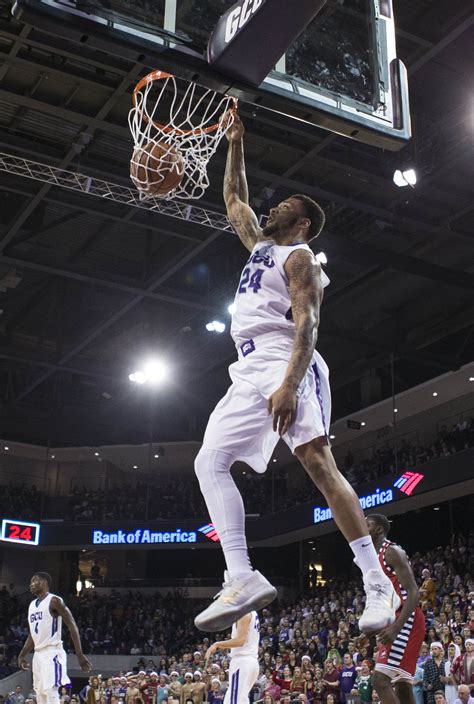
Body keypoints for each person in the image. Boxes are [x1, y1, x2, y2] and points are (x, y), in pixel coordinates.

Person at [194, 111, 399, 636]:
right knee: (209, 461)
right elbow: (234, 199)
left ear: (302, 222)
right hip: (247, 366)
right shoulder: (261, 246)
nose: (274, 204)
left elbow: (309, 323)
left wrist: (288, 383)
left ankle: (377, 583)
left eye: (286, 205)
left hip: (288, 359)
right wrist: (235, 141)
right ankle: (242, 576)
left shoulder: (299, 257)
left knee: (317, 465)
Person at [362, 514, 426, 704]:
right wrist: (368, 634)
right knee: (403, 686)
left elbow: (414, 593)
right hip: (394, 617)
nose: (363, 527)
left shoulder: (391, 551)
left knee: (380, 680)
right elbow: (384, 601)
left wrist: (396, 628)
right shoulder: (372, 558)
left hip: (408, 618)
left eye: (368, 524)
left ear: (380, 529)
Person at [17, 572, 92, 704]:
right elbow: (32, 635)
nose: (31, 584)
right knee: (40, 694)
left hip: (52, 653)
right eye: (30, 582)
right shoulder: (31, 605)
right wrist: (22, 655)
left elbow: (72, 625)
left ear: (45, 582)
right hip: (38, 655)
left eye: (35, 581)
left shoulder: (54, 600)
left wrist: (79, 654)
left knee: (51, 692)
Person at [206, 611, 260, 704]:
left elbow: (240, 640)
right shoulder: (252, 612)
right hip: (249, 661)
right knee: (234, 700)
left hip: (242, 662)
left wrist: (218, 644)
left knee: (235, 701)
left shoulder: (243, 613)